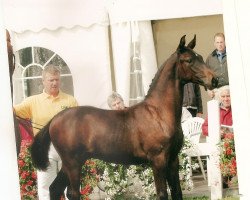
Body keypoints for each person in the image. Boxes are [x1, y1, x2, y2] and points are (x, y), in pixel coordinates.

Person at [14, 65, 78, 200]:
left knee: (69, 187)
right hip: (44, 149)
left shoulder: (70, 100)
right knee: (45, 188)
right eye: (51, 80)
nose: (54, 83)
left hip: (67, 149)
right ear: (43, 81)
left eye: (57, 80)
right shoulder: (32, 101)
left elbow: (78, 125)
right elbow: (12, 111)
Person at [206, 33, 229, 100]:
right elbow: (206, 76)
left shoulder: (232, 54)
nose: (220, 44)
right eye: (217, 42)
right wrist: (208, 89)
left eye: (221, 42)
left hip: (230, 89)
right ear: (214, 44)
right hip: (217, 91)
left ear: (225, 42)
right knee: (217, 110)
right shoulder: (210, 58)